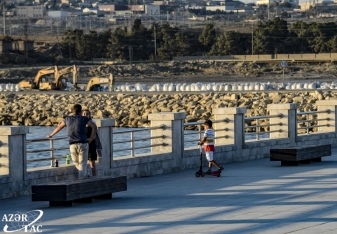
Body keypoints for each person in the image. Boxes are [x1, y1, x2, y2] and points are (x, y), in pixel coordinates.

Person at [47, 104, 97, 178]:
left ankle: (81, 180)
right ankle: (85, 175)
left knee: (79, 163)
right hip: (82, 144)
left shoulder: (67, 119)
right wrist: (91, 137)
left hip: (74, 144)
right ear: (80, 111)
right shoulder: (83, 119)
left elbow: (60, 127)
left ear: (72, 111)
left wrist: (51, 134)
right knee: (79, 163)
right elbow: (94, 126)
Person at [82, 110, 98, 176]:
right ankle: (85, 175)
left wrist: (90, 139)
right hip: (83, 143)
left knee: (92, 162)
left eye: (87, 114)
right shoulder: (81, 122)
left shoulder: (92, 122)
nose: (85, 115)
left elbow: (95, 134)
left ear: (89, 115)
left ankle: (94, 176)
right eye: (84, 113)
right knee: (83, 161)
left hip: (91, 143)